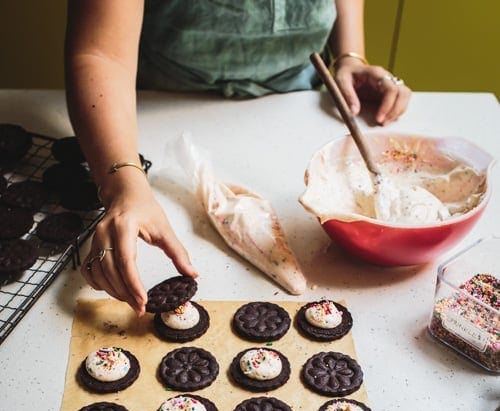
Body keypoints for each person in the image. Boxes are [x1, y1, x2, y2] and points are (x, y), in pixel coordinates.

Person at [65, 0, 411, 314]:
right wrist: (123, 184)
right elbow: (101, 54)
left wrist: (350, 56)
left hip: (298, 107)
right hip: (153, 113)